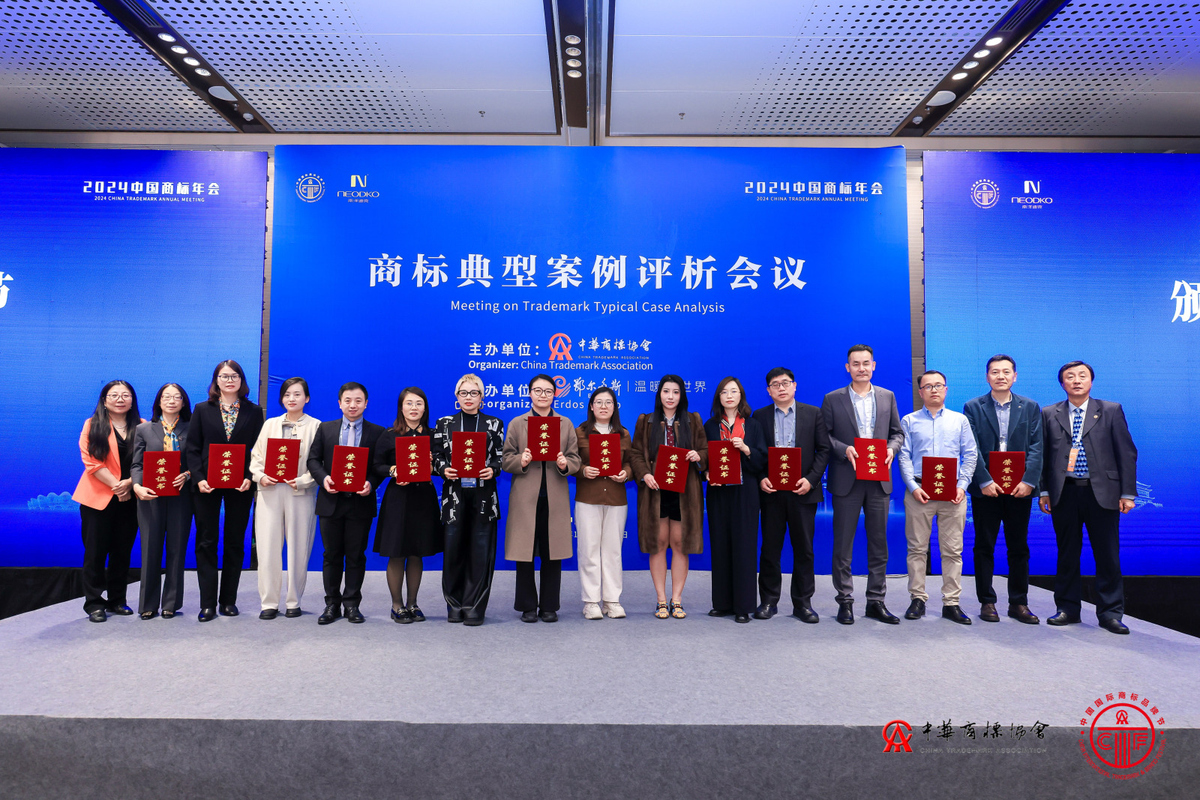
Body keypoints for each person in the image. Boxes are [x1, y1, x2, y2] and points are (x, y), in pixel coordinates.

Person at [1039, 361, 1138, 635]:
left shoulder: (1110, 410)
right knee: (1067, 554)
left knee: (1107, 554)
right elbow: (1043, 456)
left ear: (1091, 381)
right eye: (1070, 376)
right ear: (1062, 383)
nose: (1077, 380)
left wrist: (1127, 493)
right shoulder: (1049, 413)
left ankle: (1110, 613)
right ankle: (1067, 609)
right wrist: (1044, 490)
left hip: (1103, 493)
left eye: (1082, 375)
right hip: (1064, 492)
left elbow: (1126, 453)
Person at [821, 345, 904, 625]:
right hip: (847, 479)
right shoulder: (832, 399)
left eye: (866, 363)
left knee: (879, 543)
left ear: (874, 365)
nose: (861, 368)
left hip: (878, 480)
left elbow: (897, 433)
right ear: (848, 368)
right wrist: (844, 449)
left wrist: (892, 448)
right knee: (843, 545)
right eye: (855, 364)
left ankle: (876, 601)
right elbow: (824, 437)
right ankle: (845, 601)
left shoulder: (887, 396)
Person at [962, 355, 1043, 624]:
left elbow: (1037, 446)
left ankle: (1019, 603)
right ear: (987, 377)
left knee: (1019, 547)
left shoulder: (1030, 406)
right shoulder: (973, 407)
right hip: (987, 489)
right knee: (984, 546)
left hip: (1019, 488)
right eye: (995, 372)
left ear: (1015, 376)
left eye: (1006, 372)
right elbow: (971, 447)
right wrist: (984, 480)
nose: (1001, 376)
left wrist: (1029, 481)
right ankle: (987, 601)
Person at [186, 360, 264, 622]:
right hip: (206, 485)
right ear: (216, 380)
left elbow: (259, 450)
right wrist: (198, 478)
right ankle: (207, 603)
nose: (229, 380)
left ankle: (228, 600)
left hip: (240, 484)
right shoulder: (202, 409)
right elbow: (193, 448)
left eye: (234, 376)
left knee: (235, 541)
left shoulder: (254, 411)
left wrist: (250, 478)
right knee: (206, 541)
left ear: (242, 380)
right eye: (224, 376)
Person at [751, 367, 831, 623]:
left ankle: (803, 603)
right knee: (770, 549)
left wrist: (811, 480)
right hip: (772, 493)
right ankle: (768, 601)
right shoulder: (759, 416)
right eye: (775, 384)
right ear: (768, 391)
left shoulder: (813, 413)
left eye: (785, 383)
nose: (781, 388)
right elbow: (755, 452)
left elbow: (824, 450)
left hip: (802, 492)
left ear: (794, 386)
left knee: (804, 549)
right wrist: (761, 477)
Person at [898, 371, 978, 625]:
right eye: (928, 386)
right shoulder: (909, 421)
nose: (934, 390)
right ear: (920, 392)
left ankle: (951, 602)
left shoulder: (959, 420)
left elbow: (970, 454)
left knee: (952, 550)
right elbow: (904, 456)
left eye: (938, 385)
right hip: (919, 491)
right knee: (916, 549)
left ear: (946, 389)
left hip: (952, 493)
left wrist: (962, 486)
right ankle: (917, 599)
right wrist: (913, 487)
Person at [307, 382, 389, 625]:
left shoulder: (378, 432)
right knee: (331, 555)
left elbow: (379, 467)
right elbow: (313, 460)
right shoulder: (325, 428)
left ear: (366, 403)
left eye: (358, 400)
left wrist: (371, 484)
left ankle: (352, 604)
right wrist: (324, 479)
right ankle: (331, 604)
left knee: (355, 555)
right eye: (348, 400)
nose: (353, 405)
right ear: (339, 403)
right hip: (330, 501)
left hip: (360, 503)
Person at [502, 374, 581, 623]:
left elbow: (576, 459)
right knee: (524, 552)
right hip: (525, 497)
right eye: (538, 390)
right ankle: (527, 606)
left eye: (548, 391)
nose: (543, 395)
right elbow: (505, 460)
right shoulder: (518, 423)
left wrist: (565, 463)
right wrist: (522, 460)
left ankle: (549, 605)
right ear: (530, 394)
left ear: (555, 394)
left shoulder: (565, 423)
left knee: (552, 552)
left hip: (554, 496)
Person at [630, 375, 707, 620]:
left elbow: (705, 450)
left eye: (675, 392)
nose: (670, 396)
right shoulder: (646, 421)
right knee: (658, 543)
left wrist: (698, 456)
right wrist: (644, 474)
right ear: (659, 394)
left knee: (680, 543)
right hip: (655, 491)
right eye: (666, 391)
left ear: (682, 395)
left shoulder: (693, 420)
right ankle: (661, 600)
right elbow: (635, 453)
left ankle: (677, 600)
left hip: (685, 492)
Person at [433, 373, 504, 626]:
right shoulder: (444, 423)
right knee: (453, 551)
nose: (469, 397)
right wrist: (444, 469)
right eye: (463, 393)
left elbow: (500, 457)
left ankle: (474, 606)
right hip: (454, 496)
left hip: (484, 495)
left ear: (482, 397)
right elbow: (436, 456)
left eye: (474, 393)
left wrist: (492, 469)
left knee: (481, 552)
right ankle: (454, 604)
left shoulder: (494, 423)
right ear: (457, 396)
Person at [249, 377, 320, 620]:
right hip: (270, 492)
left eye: (297, 394)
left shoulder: (316, 426)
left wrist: (303, 481)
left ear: (306, 398)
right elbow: (256, 457)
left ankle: (293, 601)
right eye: (287, 394)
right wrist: (260, 476)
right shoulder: (270, 424)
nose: (292, 398)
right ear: (281, 398)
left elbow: (319, 463)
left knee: (299, 548)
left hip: (300, 493)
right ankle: (269, 602)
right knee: (267, 548)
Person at [72, 380, 143, 622]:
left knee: (122, 552)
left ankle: (117, 600)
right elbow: (91, 462)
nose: (120, 399)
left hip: (131, 498)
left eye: (126, 395)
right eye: (114, 395)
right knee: (95, 552)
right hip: (97, 499)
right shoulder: (92, 425)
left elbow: (148, 461)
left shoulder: (143, 426)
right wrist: (118, 486)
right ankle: (94, 603)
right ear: (104, 401)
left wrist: (129, 483)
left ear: (132, 400)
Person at [373, 387, 443, 623]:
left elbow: (442, 467)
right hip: (398, 498)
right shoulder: (389, 435)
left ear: (425, 408)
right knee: (396, 552)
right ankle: (397, 605)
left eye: (419, 404)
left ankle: (413, 603)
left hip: (423, 498)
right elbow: (376, 465)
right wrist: (393, 470)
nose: (414, 408)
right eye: (409, 403)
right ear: (401, 408)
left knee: (416, 552)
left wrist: (433, 465)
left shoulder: (434, 435)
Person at [704, 377, 767, 623]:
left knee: (744, 546)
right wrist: (706, 473)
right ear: (718, 397)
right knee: (720, 545)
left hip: (746, 492)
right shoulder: (710, 425)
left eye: (733, 391)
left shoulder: (753, 425)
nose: (729, 396)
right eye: (724, 392)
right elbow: (704, 458)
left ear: (741, 395)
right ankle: (722, 604)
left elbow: (762, 459)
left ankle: (743, 606)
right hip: (719, 492)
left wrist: (746, 449)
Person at [131, 383, 193, 620]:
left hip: (181, 497)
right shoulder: (144, 429)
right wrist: (137, 486)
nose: (171, 400)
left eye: (177, 397)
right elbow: (137, 464)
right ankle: (148, 604)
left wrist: (187, 475)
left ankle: (171, 603)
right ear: (159, 401)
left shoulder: (192, 428)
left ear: (183, 402)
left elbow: (199, 461)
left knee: (177, 549)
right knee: (150, 550)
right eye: (166, 397)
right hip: (150, 497)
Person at [574, 386, 633, 620]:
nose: (603, 406)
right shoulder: (580, 432)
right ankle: (591, 602)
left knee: (613, 551)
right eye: (598, 402)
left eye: (608, 402)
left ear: (615, 407)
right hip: (588, 498)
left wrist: (626, 473)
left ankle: (612, 600)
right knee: (588, 550)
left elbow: (630, 462)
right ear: (591, 406)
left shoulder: (623, 434)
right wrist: (583, 470)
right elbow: (571, 462)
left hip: (616, 499)